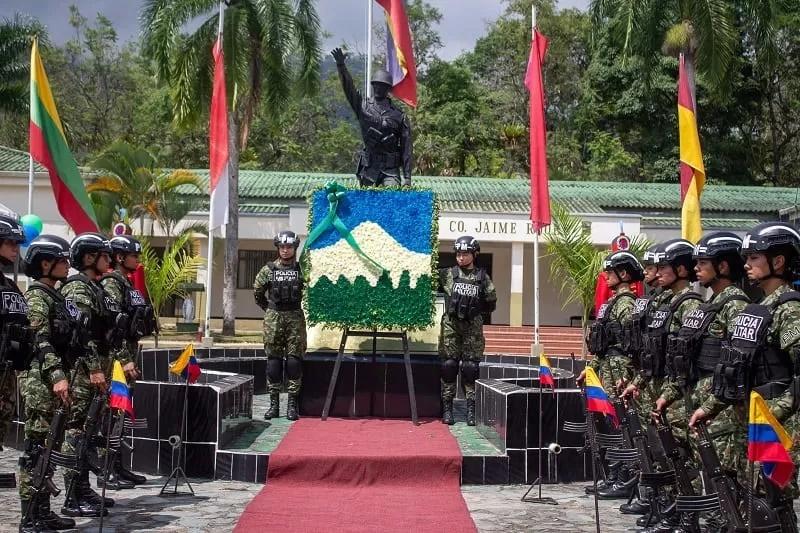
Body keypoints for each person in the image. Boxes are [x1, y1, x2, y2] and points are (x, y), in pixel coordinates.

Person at [690, 222, 800, 529]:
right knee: (753, 505)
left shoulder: (789, 309)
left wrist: (773, 413)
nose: (747, 264)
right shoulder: (760, 308)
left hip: (777, 424)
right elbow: (736, 368)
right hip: (752, 421)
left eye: (754, 257)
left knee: (773, 506)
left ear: (778, 262)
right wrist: (709, 407)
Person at [19, 235, 77, 532]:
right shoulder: (37, 298)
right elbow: (39, 340)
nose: (68, 266)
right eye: (62, 261)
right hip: (41, 382)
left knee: (49, 448)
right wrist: (57, 375)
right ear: (45, 263)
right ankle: (30, 516)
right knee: (36, 450)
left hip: (56, 379)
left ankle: (43, 510)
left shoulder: (55, 296)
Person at [59, 233, 119, 517]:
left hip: (98, 370)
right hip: (83, 374)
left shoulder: (95, 288)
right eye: (104, 255)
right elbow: (83, 338)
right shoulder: (78, 290)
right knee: (77, 431)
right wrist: (95, 369)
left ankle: (82, 487)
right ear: (88, 258)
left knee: (88, 431)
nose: (109, 260)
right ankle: (72, 494)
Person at [99, 235, 155, 488]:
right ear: (120, 257)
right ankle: (106, 468)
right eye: (134, 255)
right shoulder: (112, 284)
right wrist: (124, 359)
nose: (138, 260)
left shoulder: (128, 284)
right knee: (111, 414)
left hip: (129, 354)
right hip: (116, 360)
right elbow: (114, 328)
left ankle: (118, 466)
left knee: (120, 415)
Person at [331, 47, 412, 187]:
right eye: (376, 85)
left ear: (388, 89)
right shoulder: (363, 106)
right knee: (366, 203)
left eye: (382, 86)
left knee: (391, 196)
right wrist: (341, 65)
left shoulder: (399, 115)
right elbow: (349, 88)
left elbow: (406, 148)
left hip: (390, 170)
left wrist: (407, 177)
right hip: (369, 168)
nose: (378, 88)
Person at [438, 236, 497, 426]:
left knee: (470, 367)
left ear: (474, 254)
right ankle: (447, 408)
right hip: (451, 325)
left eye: (465, 253)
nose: (461, 257)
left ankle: (471, 408)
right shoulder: (447, 274)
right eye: (458, 253)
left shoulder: (482, 278)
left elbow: (491, 303)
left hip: (472, 327)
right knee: (448, 365)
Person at [254, 231, 306, 421]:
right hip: (273, 319)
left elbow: (312, 289)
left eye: (289, 247)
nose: (285, 250)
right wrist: (269, 309)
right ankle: (274, 405)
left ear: (294, 248)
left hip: (295, 319)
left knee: (294, 362)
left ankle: (292, 406)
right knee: (273, 363)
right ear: (278, 248)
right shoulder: (268, 270)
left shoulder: (302, 270)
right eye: (282, 247)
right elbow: (258, 292)